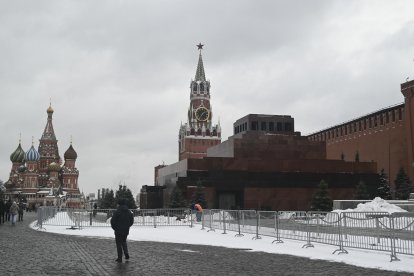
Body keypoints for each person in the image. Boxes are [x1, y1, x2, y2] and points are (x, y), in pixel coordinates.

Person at [110, 198, 134, 263]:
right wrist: (127, 226)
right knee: (123, 241)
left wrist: (115, 228)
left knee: (118, 244)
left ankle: (120, 258)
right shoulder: (129, 211)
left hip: (118, 230)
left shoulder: (117, 211)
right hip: (126, 230)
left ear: (119, 204)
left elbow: (112, 221)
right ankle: (126, 254)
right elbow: (131, 221)